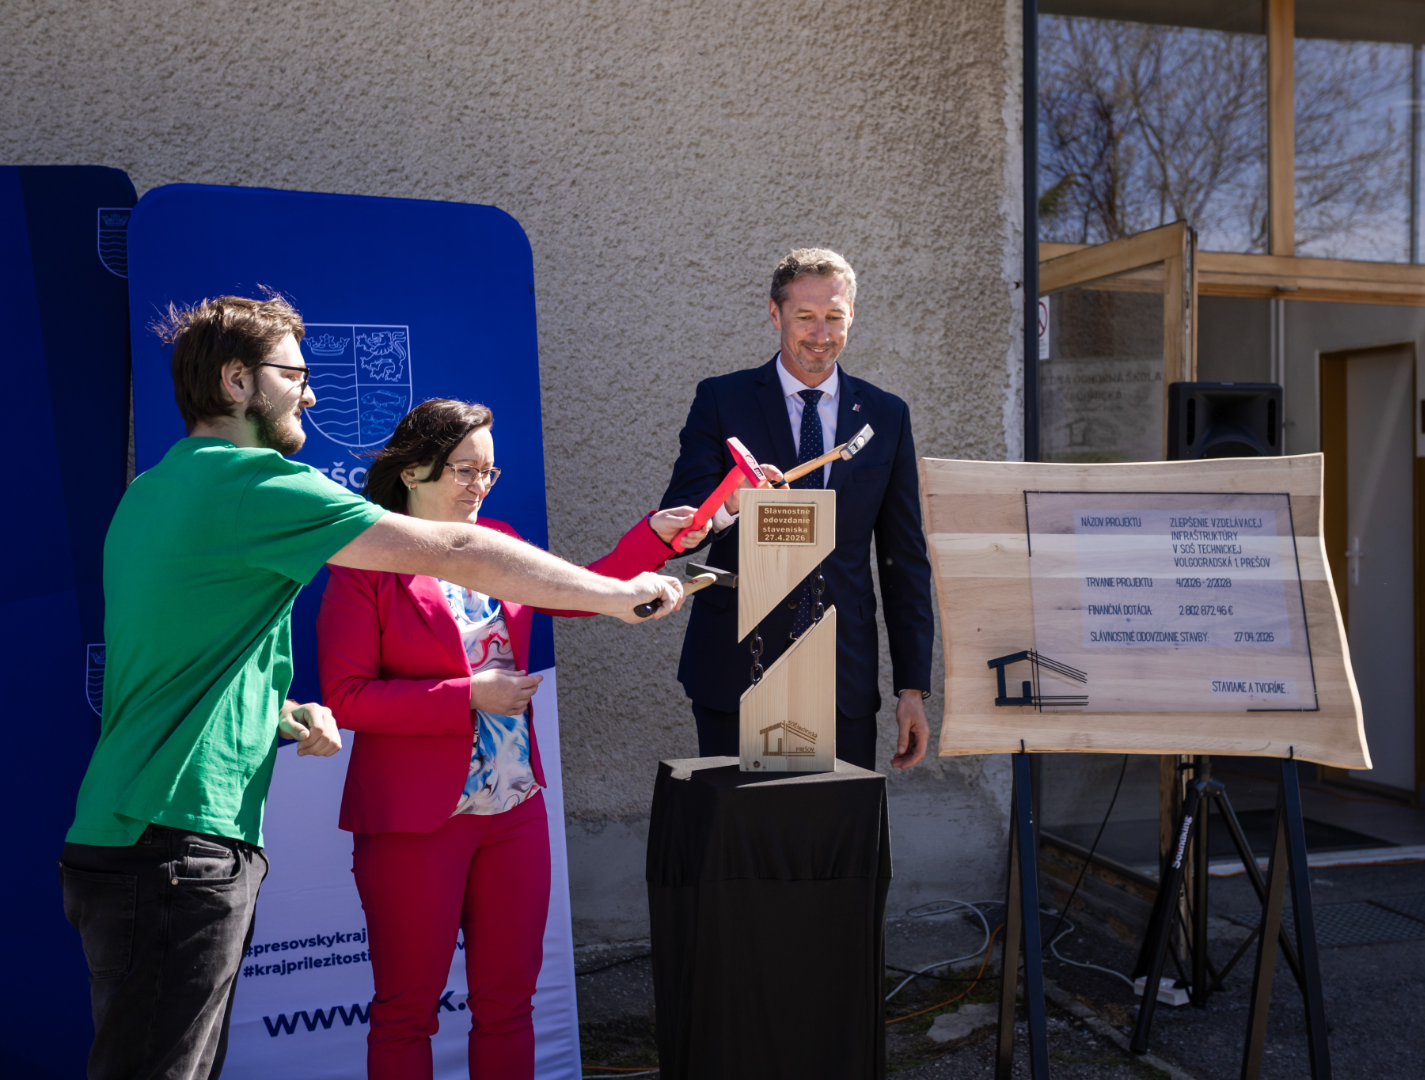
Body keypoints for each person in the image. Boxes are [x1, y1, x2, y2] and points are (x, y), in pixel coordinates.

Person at [58, 293, 685, 1080]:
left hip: (134, 836)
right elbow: (455, 550)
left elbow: (175, 663)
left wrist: (282, 712)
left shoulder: (155, 491)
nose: (312, 395)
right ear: (237, 382)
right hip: (177, 843)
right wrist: (612, 596)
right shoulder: (255, 485)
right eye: (295, 375)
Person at [316, 399, 707, 1079]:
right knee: (406, 1012)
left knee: (508, 1006)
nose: (479, 486)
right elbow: (347, 696)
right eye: (465, 470)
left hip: (513, 809)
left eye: (489, 473)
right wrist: (469, 695)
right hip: (415, 823)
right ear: (412, 471)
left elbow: (579, 591)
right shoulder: (364, 561)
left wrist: (654, 536)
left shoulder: (496, 538)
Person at [660, 247, 934, 770]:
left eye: (835, 316)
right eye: (805, 316)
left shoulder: (886, 416)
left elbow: (904, 561)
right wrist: (731, 504)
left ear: (851, 316)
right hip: (737, 666)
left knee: (837, 824)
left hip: (841, 676)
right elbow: (679, 522)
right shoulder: (722, 401)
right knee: (740, 822)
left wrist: (912, 688)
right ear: (775, 313)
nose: (820, 333)